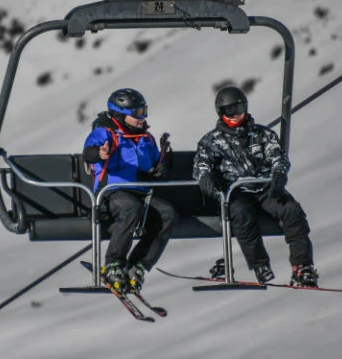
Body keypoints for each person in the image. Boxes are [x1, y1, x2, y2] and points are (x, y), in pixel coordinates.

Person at [192, 86, 318, 287]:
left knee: (292, 211)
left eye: (239, 108)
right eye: (229, 111)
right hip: (237, 191)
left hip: (265, 188)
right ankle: (259, 264)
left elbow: (277, 155)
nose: (235, 115)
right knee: (242, 215)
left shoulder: (262, 134)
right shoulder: (211, 141)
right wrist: (207, 180)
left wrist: (278, 173)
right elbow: (202, 165)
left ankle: (302, 266)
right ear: (221, 113)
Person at [82, 88, 176, 293]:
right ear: (119, 115)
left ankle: (138, 266)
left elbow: (150, 166)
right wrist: (99, 153)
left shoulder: (146, 138)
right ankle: (113, 263)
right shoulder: (105, 133)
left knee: (167, 214)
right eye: (137, 113)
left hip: (140, 193)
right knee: (130, 208)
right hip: (111, 193)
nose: (143, 117)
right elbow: (88, 153)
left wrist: (158, 169)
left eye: (144, 111)